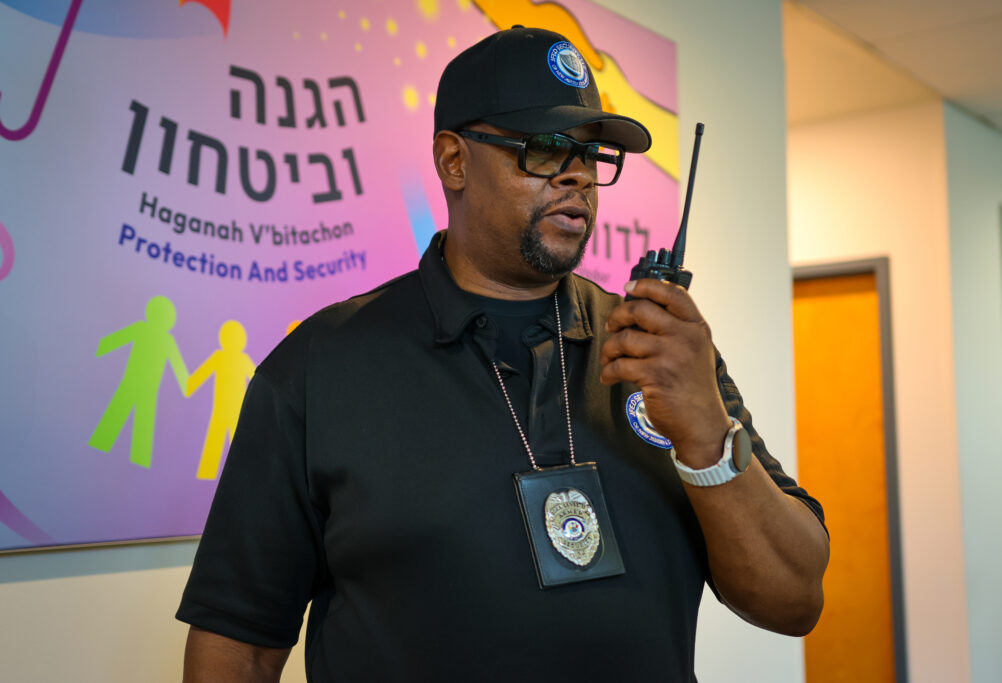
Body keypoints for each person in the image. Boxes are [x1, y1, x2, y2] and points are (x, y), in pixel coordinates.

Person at [177, 26, 829, 682]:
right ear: (454, 161)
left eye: (589, 153)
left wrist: (708, 436)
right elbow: (239, 648)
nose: (578, 174)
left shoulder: (658, 351)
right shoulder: (317, 368)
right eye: (546, 149)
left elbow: (793, 599)